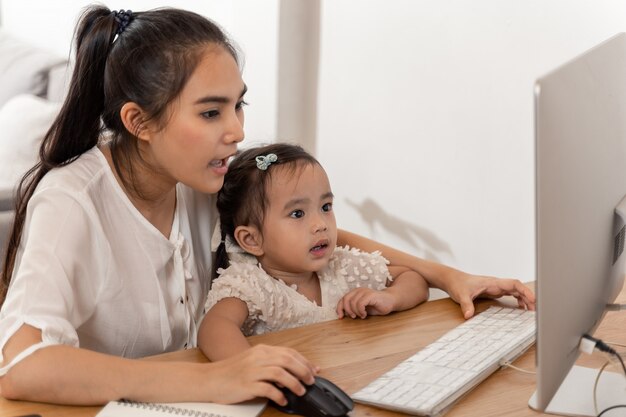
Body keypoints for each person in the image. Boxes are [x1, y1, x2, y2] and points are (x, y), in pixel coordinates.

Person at [0, 3, 534, 409]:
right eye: (211, 113)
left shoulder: (199, 180)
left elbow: (311, 232)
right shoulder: (71, 201)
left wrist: (448, 274)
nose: (237, 131)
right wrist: (211, 379)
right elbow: (22, 365)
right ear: (139, 122)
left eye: (238, 105)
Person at [199, 143, 430, 360]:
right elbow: (214, 328)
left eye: (325, 207)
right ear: (252, 239)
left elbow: (412, 278)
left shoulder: (341, 267)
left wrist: (391, 297)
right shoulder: (251, 285)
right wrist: (250, 366)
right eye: (297, 214)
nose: (321, 224)